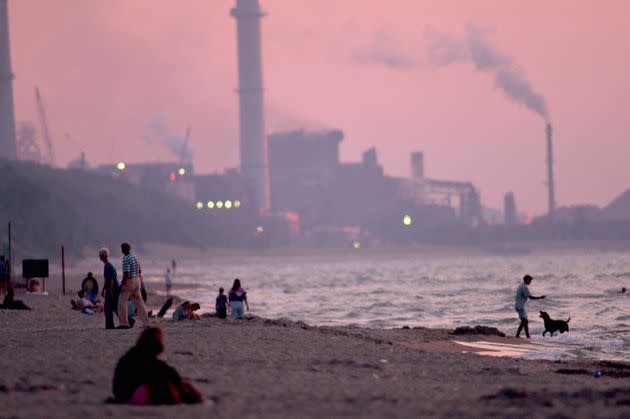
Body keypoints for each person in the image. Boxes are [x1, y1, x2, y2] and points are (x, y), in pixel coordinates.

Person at [112, 327, 202, 405]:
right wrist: (189, 388)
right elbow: (169, 373)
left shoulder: (134, 353)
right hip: (132, 395)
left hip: (122, 395)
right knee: (167, 385)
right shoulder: (144, 356)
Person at [117, 242, 149, 329]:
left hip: (129, 281)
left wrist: (122, 284)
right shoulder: (134, 256)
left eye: (121, 249)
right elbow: (140, 270)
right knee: (140, 302)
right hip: (137, 280)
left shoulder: (126, 258)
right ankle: (146, 322)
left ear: (123, 249)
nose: (121, 250)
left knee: (122, 302)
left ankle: (124, 323)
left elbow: (126, 273)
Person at [99, 248, 120, 329]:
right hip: (112, 289)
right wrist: (103, 289)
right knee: (115, 307)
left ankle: (110, 325)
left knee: (108, 308)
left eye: (100, 255)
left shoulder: (108, 266)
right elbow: (107, 280)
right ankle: (127, 320)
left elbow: (111, 279)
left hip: (112, 289)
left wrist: (110, 290)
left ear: (103, 256)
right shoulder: (108, 265)